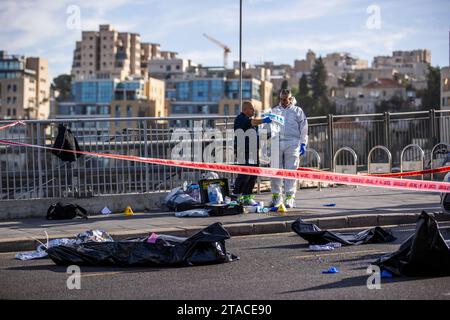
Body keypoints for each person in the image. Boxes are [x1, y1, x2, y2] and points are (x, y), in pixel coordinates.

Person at [268, 89, 308, 208]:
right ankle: (276, 197)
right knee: (275, 170)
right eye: (281, 99)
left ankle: (289, 197)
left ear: (290, 99)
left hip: (293, 142)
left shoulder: (297, 111)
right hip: (277, 141)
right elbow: (268, 127)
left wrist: (303, 143)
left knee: (291, 171)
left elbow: (304, 127)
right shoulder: (275, 111)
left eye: (285, 99)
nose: (283, 101)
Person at [233, 101, 272, 205]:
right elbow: (251, 122)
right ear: (245, 109)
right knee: (244, 175)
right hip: (244, 151)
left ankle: (247, 196)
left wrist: (268, 135)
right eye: (251, 109)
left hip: (253, 151)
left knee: (253, 174)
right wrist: (264, 120)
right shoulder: (240, 119)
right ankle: (236, 196)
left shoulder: (252, 122)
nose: (254, 111)